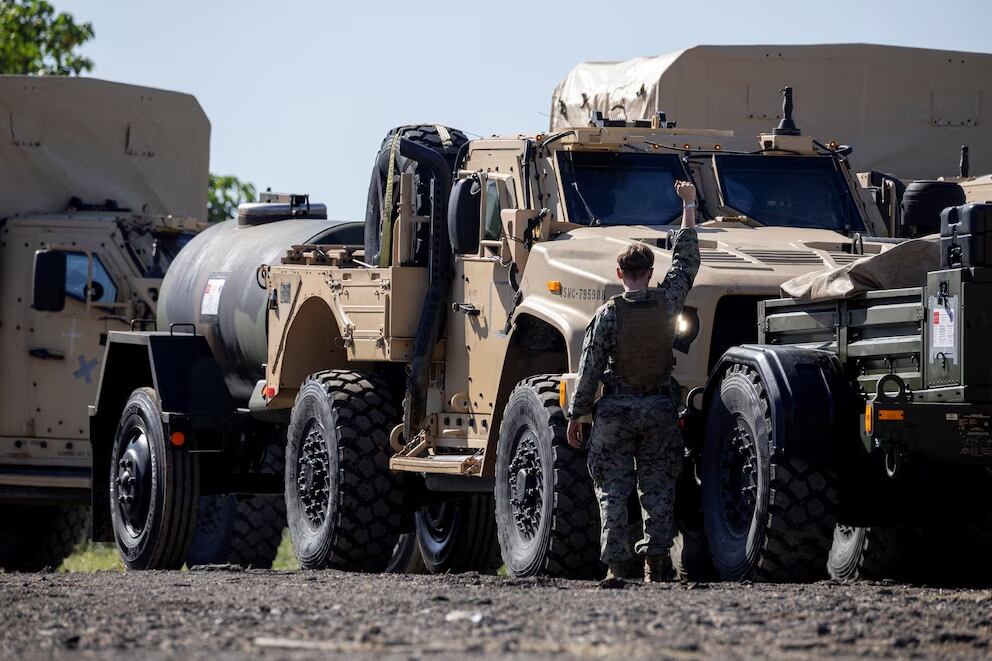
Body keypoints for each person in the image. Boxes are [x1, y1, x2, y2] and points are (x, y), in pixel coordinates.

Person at [566, 180, 701, 582]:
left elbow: (590, 368)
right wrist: (688, 205)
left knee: (612, 489)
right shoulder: (668, 302)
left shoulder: (608, 315)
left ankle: (614, 565)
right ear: (650, 272)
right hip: (660, 407)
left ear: (620, 273)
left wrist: (576, 414)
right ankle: (656, 561)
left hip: (616, 412)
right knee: (658, 488)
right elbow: (687, 262)